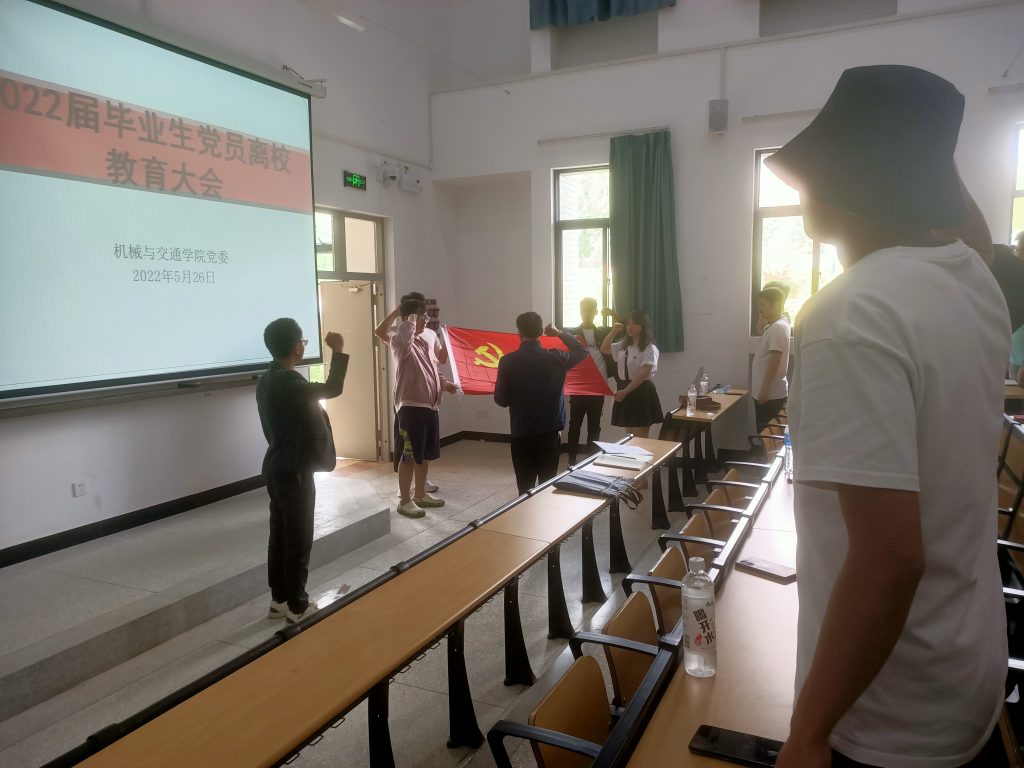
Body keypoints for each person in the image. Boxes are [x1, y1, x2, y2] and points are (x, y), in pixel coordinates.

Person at [767, 66, 1010, 767]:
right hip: (963, 672)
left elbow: (890, 557)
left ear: (849, 180)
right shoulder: (975, 280)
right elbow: (973, 233)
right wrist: (929, 151)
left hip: (885, 713)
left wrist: (809, 732)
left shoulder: (851, 313)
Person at [257, 319, 349, 624]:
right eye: (303, 342)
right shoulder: (288, 382)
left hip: (278, 467)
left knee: (280, 536)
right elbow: (333, 388)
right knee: (298, 538)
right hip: (294, 470)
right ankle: (298, 606)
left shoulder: (267, 379)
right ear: (297, 347)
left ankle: (279, 601)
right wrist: (338, 351)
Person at [375, 294, 457, 518]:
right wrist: (409, 321)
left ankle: (420, 494)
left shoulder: (428, 337)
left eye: (424, 315)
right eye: (420, 316)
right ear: (410, 317)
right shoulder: (400, 339)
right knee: (409, 455)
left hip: (430, 407)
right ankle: (405, 500)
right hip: (410, 407)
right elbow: (402, 341)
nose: (425, 319)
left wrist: (445, 384)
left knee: (425, 455)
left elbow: (434, 366)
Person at [494, 312, 587, 494]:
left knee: (524, 488)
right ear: (540, 332)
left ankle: (525, 511)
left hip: (521, 432)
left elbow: (501, 400)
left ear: (519, 332)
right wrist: (559, 333)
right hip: (549, 431)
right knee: (546, 487)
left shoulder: (507, 361)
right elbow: (581, 351)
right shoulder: (556, 358)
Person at [564, 297, 614, 464]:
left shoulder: (603, 332)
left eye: (590, 310)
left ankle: (591, 460)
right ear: (580, 311)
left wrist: (612, 313)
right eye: (583, 310)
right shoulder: (571, 333)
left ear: (595, 312)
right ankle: (571, 460)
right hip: (579, 387)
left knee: (594, 426)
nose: (586, 313)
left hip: (598, 387)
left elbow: (623, 328)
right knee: (574, 425)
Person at [600, 310, 663, 439]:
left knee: (641, 437)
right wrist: (613, 332)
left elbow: (643, 374)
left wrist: (625, 391)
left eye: (634, 324)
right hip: (625, 389)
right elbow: (604, 348)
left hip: (641, 391)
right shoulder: (624, 345)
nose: (630, 327)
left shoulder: (649, 348)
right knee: (629, 436)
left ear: (643, 326)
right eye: (628, 323)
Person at [752, 286, 791, 430]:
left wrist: (764, 390)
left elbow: (775, 360)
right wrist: (762, 316)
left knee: (767, 436)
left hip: (770, 395)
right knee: (764, 433)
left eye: (762, 305)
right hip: (768, 394)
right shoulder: (774, 326)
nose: (759, 309)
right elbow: (759, 330)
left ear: (775, 305)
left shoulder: (778, 328)